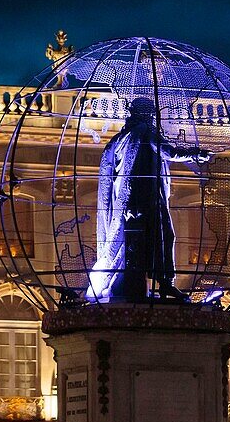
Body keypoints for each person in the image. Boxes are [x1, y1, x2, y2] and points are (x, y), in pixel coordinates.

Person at [86, 97, 211, 301]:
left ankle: (137, 283)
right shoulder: (145, 132)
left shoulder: (119, 138)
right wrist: (196, 155)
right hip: (149, 199)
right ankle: (165, 283)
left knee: (134, 244)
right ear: (146, 115)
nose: (153, 117)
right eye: (151, 114)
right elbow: (169, 152)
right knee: (164, 237)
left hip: (127, 203)